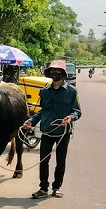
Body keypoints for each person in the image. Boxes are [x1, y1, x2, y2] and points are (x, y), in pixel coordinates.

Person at [22, 59, 82, 199]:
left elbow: (77, 111)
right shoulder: (44, 92)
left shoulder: (72, 92)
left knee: (61, 162)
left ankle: (56, 188)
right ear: (49, 73)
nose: (55, 73)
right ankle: (43, 189)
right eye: (53, 71)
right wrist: (31, 121)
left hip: (63, 133)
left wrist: (70, 118)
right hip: (47, 131)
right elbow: (43, 111)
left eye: (58, 71)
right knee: (44, 160)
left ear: (63, 73)